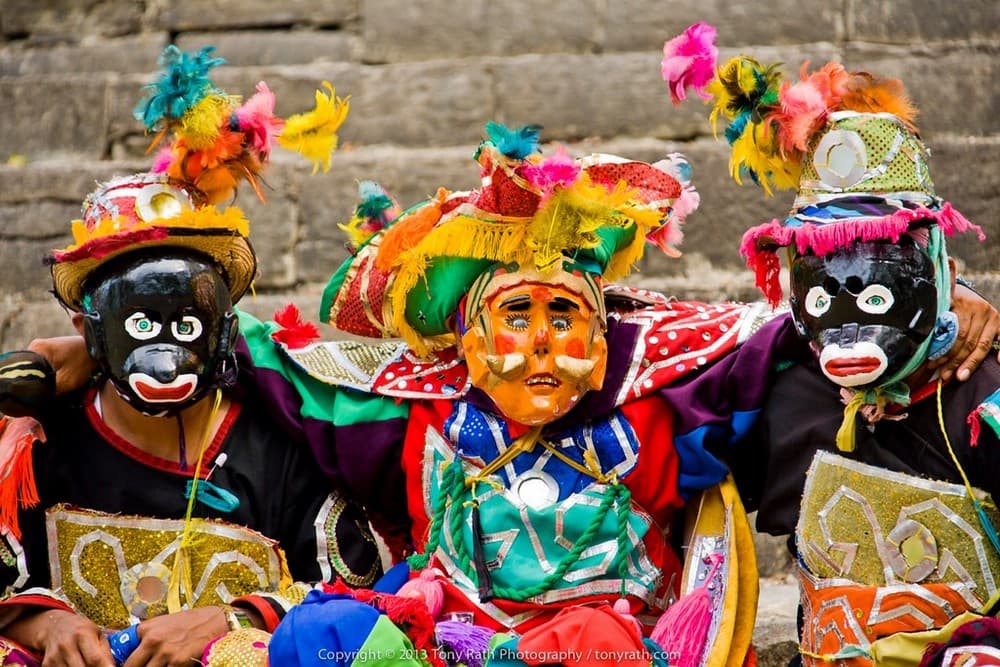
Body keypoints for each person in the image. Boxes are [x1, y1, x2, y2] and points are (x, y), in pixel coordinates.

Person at [0, 47, 379, 666]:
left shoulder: (282, 441)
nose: (166, 352)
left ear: (225, 332)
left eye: (188, 324)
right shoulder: (38, 442)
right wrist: (46, 625)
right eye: (140, 324)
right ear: (89, 332)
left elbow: (356, 594)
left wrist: (235, 622)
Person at [668, 29, 1000, 666]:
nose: (850, 314)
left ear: (940, 270)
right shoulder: (779, 386)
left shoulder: (982, 391)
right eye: (827, 274)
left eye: (878, 269)